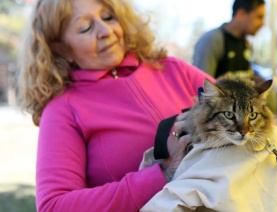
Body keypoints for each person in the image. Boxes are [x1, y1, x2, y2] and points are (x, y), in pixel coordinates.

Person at [17, 0, 213, 211]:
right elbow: (54, 206)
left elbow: (241, 111)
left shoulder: (173, 69)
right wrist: (160, 174)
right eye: (85, 28)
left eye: (108, 17)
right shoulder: (63, 109)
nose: (105, 30)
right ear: (61, 48)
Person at [192, 0, 266, 80]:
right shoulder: (213, 40)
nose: (263, 23)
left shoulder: (246, 43)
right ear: (241, 14)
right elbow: (201, 85)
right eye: (259, 17)